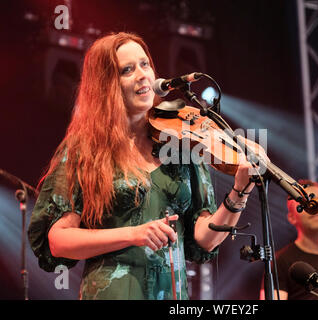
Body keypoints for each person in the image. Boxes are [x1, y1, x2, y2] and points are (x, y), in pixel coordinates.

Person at [28, 32, 264, 300]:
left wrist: (240, 191)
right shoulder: (85, 150)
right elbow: (59, 241)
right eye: (127, 70)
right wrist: (133, 234)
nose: (142, 75)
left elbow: (204, 238)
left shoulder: (180, 143)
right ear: (106, 85)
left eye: (145, 64)